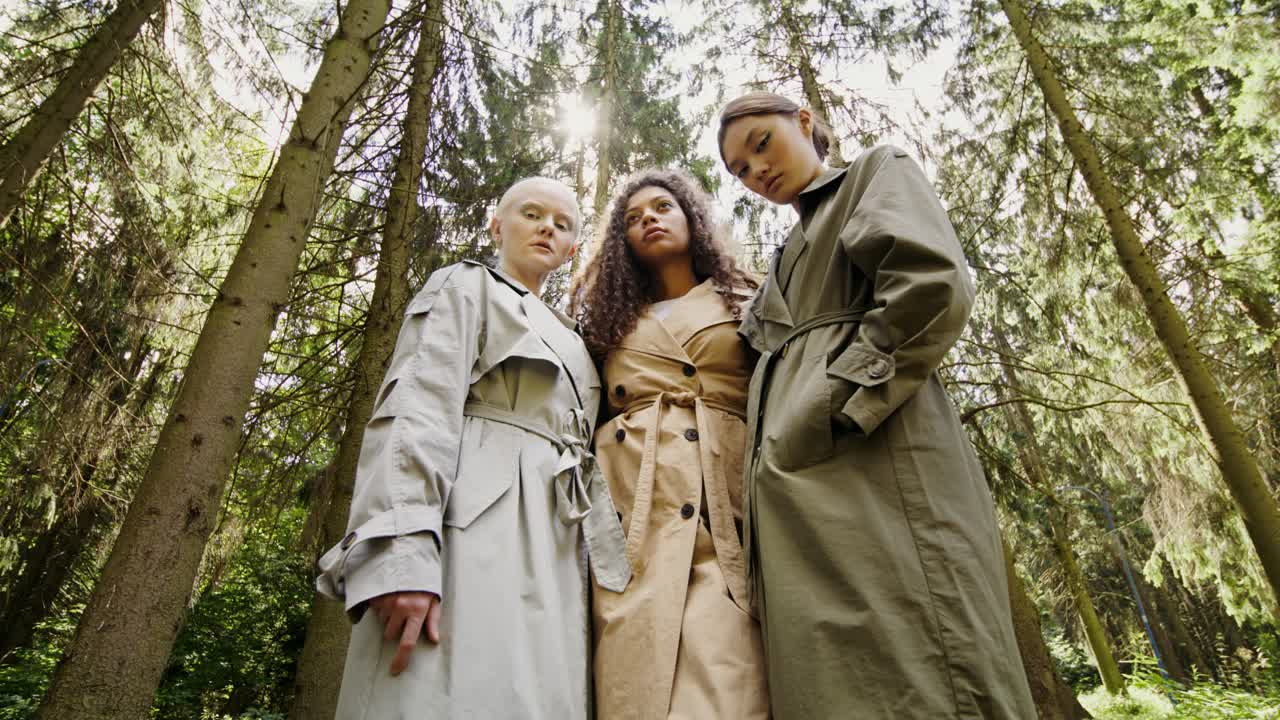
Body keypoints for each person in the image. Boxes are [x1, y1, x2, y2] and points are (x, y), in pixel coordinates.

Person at [717, 92, 1037, 718]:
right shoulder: (779, 264)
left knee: (928, 657)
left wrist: (834, 403)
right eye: (741, 171)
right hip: (795, 505)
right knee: (835, 683)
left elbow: (930, 285)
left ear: (803, 121)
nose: (758, 171)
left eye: (761, 144)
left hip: (882, 456)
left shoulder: (872, 172)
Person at [315, 177, 630, 719]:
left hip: (558, 541)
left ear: (572, 249)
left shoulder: (578, 341)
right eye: (532, 214)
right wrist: (405, 550)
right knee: (441, 690)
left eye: (562, 225)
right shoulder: (465, 285)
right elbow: (416, 409)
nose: (546, 228)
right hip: (472, 527)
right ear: (496, 225)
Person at [569, 168, 769, 720]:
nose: (648, 220)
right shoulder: (607, 322)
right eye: (633, 218)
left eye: (662, 207)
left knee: (731, 670)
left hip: (726, 498)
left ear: (691, 218)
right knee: (636, 669)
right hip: (635, 504)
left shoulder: (747, 295)